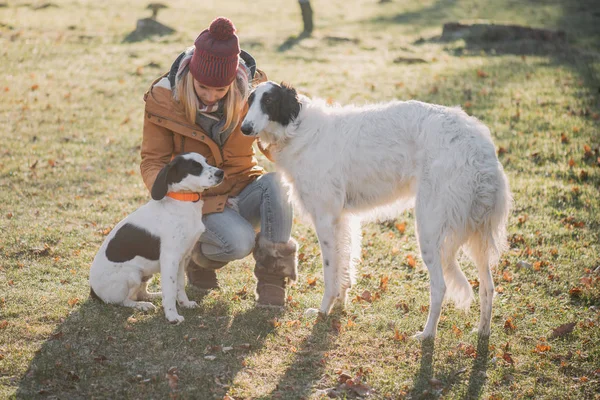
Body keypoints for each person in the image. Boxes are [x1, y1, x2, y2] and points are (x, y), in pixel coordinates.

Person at [140, 17, 296, 307]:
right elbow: (153, 160)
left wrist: (300, 156)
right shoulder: (164, 99)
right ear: (191, 76)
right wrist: (167, 194)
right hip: (198, 201)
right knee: (239, 242)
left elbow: (273, 142)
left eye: (220, 90)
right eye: (203, 88)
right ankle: (197, 258)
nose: (211, 96)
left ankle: (273, 280)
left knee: (279, 184)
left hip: (243, 187)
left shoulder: (254, 93)